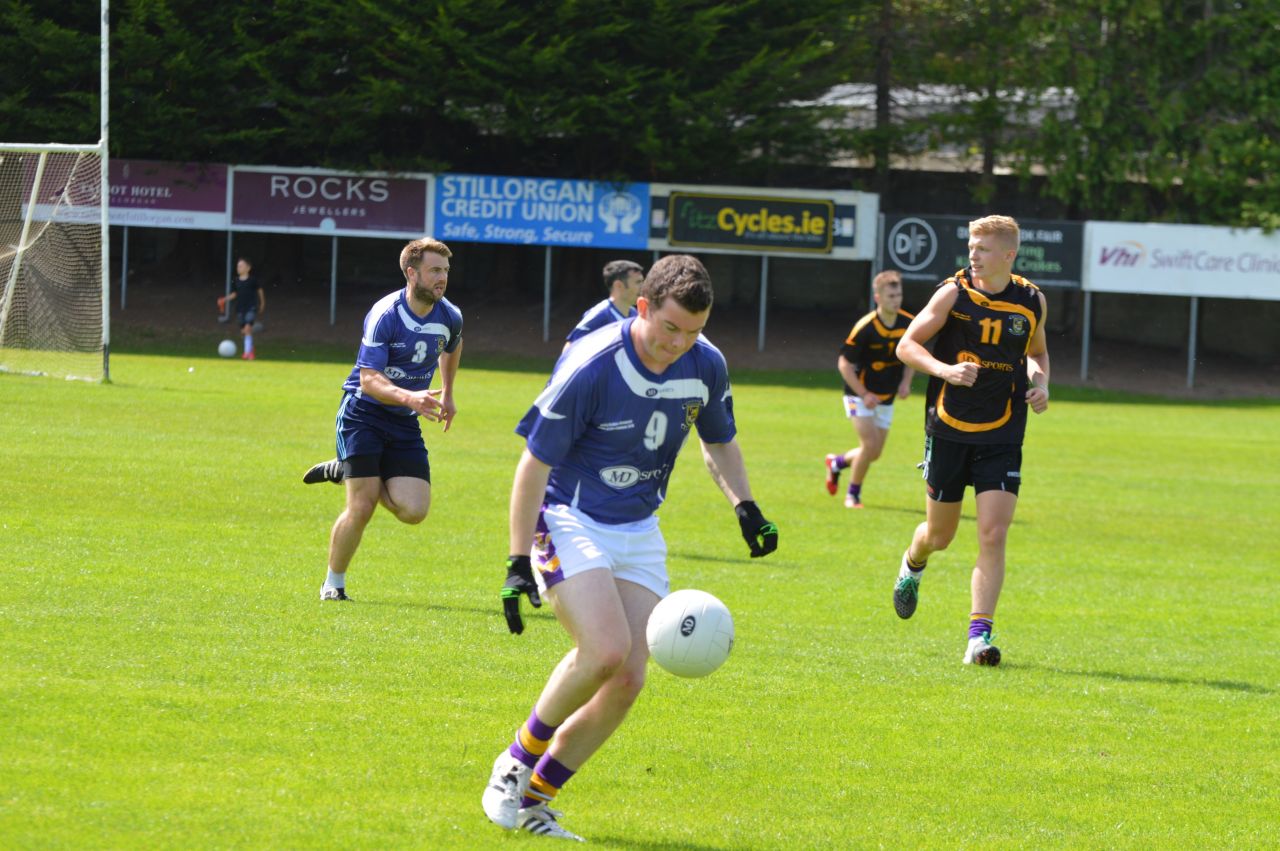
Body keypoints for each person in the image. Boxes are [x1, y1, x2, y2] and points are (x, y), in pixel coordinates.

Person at [483, 254, 778, 841]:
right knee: (604, 650)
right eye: (670, 327)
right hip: (569, 515)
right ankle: (514, 764)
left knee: (629, 679)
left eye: (693, 331)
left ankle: (537, 800)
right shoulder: (592, 363)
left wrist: (745, 506)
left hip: (639, 527)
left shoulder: (706, 363)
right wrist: (518, 560)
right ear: (642, 306)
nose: (679, 343)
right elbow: (534, 462)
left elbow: (719, 440)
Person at [890, 215, 1050, 666]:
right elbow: (908, 345)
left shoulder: (1032, 300)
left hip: (1003, 430)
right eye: (971, 247)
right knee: (940, 535)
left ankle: (977, 639)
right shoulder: (953, 292)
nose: (972, 255)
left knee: (993, 533)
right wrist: (945, 371)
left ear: (1008, 255)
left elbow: (1036, 353)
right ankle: (912, 562)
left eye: (981, 248)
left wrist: (1041, 385)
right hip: (949, 427)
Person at [301, 237, 462, 601]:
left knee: (414, 511)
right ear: (411, 272)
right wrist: (411, 397)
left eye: (446, 271)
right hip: (363, 413)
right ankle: (333, 584)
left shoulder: (449, 314)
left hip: (404, 418)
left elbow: (453, 344)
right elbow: (368, 380)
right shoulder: (385, 314)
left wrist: (448, 392)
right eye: (435, 270)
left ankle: (348, 471)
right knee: (362, 504)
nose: (442, 278)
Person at [824, 270, 915, 508]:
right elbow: (844, 363)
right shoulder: (865, 327)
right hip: (858, 395)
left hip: (886, 397)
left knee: (874, 453)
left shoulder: (909, 324)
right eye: (891, 295)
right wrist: (864, 393)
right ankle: (852, 495)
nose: (896, 300)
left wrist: (906, 382)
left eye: (898, 295)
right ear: (878, 298)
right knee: (870, 446)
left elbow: (912, 355)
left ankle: (837, 463)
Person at [562, 259, 644, 351]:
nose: (643, 287)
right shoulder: (601, 314)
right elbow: (570, 347)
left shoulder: (635, 314)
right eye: (638, 282)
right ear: (618, 285)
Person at [216, 257, 266, 360]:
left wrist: (262, 303)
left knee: (248, 328)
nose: (238, 268)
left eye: (241, 266)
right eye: (238, 266)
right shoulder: (236, 281)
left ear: (248, 268)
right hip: (240, 309)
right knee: (244, 331)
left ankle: (247, 353)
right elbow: (234, 294)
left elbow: (260, 291)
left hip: (251, 307)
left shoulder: (253, 280)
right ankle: (250, 349)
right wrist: (224, 299)